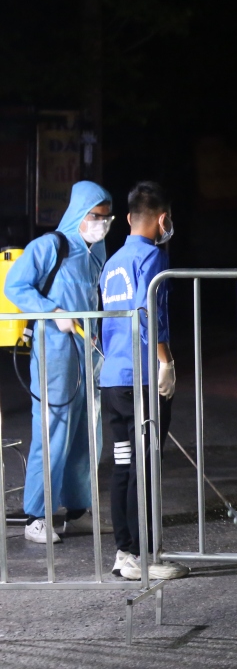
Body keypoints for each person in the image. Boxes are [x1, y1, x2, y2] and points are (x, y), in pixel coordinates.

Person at [3, 180, 111, 544]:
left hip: (87, 351)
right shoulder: (51, 246)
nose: (102, 223)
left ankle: (78, 510)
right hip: (55, 350)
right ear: (79, 213)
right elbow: (15, 286)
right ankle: (37, 515)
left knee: (86, 432)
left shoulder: (97, 251)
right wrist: (52, 311)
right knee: (53, 431)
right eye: (96, 216)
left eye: (107, 217)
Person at [99, 181, 188, 580]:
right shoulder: (152, 258)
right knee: (145, 466)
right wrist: (165, 361)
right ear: (162, 219)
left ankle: (125, 554)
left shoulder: (112, 262)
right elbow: (149, 310)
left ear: (130, 218)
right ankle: (143, 555)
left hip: (114, 380)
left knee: (122, 465)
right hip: (142, 379)